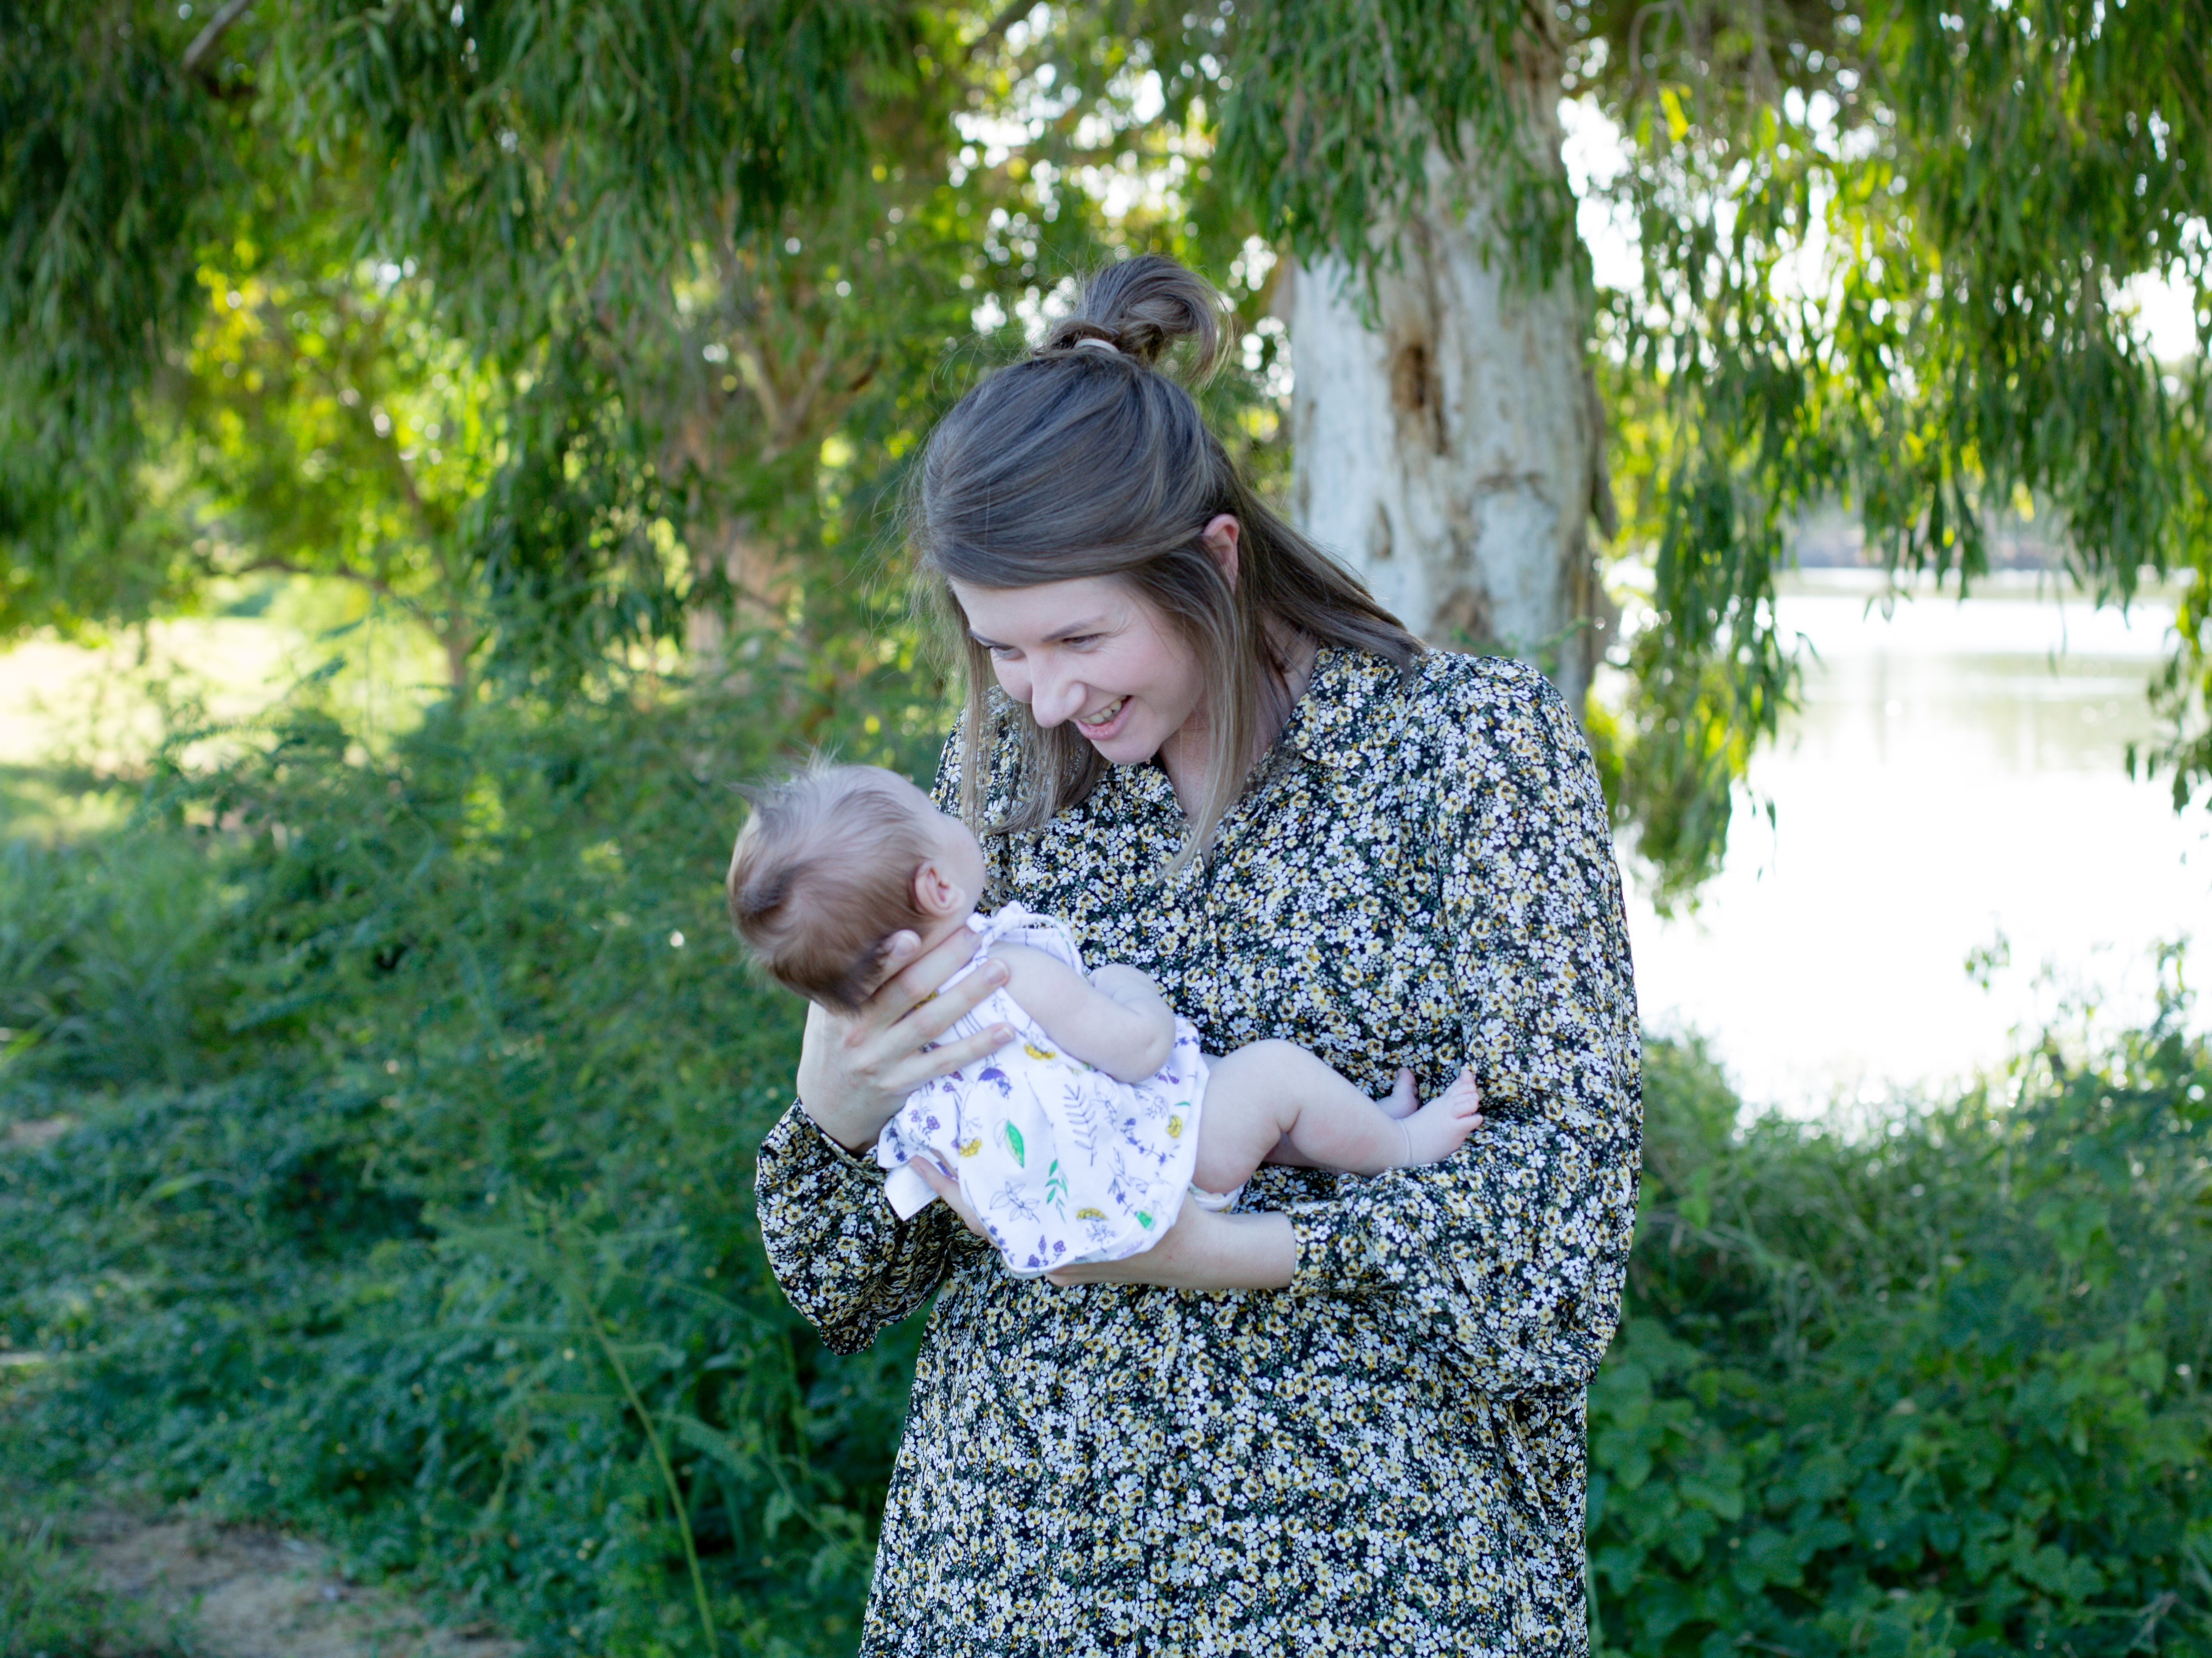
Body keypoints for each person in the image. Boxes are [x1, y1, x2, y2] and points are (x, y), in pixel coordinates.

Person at [753, 253, 1640, 1654]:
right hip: (1010, 1588)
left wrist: (1223, 1250)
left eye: (1080, 635)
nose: (1044, 691)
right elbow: (839, 1283)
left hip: (1377, 1589)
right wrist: (837, 1113)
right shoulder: (979, 811)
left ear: (1213, 562)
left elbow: (1560, 1242)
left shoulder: (1471, 755)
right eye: (1002, 650)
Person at [727, 762, 1486, 1276]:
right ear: (937, 887)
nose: (952, 809)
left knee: (1248, 1108)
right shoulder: (1006, 972)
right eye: (935, 813)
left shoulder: (908, 1039)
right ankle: (1402, 1143)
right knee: (1270, 1075)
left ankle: (1347, 1134)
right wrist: (1130, 989)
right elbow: (1139, 1052)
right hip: (1157, 1170)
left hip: (1074, 1221)